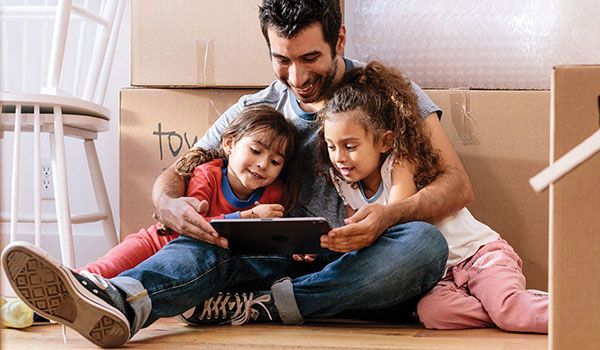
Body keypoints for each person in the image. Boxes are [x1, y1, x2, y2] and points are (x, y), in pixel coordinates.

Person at [2, 0, 463, 347]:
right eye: (282, 59)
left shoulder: (386, 94)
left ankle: (261, 308)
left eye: (310, 59)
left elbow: (457, 185)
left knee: (425, 245)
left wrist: (387, 217)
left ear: (339, 41)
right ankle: (116, 302)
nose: (297, 77)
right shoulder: (257, 109)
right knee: (214, 239)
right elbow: (180, 172)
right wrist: (168, 203)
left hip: (363, 261)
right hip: (272, 260)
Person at [317, 61, 548, 334]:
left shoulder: (399, 164)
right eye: (331, 147)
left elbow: (397, 222)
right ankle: (505, 309)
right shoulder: (344, 181)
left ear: (385, 142)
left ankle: (575, 314)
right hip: (443, 276)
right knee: (434, 315)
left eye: (350, 146)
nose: (339, 157)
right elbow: (354, 228)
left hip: (478, 257)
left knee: (509, 310)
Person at [77, 105, 300, 278]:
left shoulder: (274, 193)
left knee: (128, 283)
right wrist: (247, 218)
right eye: (255, 150)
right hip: (161, 242)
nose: (263, 164)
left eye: (275, 161)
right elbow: (195, 226)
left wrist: (294, 249)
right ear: (229, 144)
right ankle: (58, 294)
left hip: (204, 262)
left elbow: (271, 241)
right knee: (104, 271)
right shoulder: (207, 174)